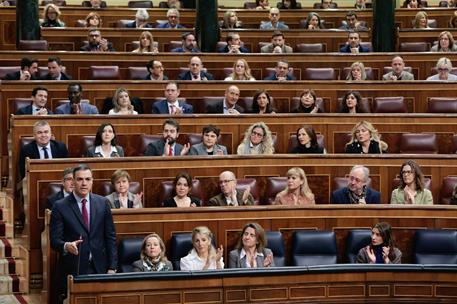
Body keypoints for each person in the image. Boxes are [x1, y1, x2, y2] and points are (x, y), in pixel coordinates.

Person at [50, 164, 117, 301]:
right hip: (74, 268)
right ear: (73, 182)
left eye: (87, 179)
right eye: (80, 179)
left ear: (92, 181)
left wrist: (112, 267)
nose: (84, 183)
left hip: (99, 267)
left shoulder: (102, 203)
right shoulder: (60, 206)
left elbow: (110, 236)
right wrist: (66, 246)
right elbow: (54, 240)